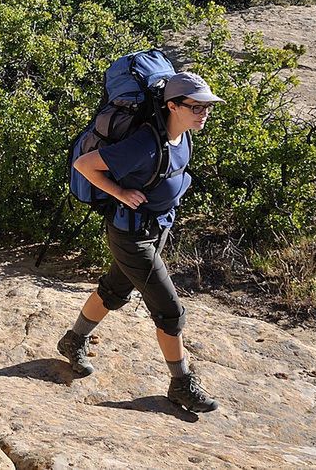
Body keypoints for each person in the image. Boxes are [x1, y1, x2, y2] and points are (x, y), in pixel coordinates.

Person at [58, 71, 224, 413]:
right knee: (170, 312)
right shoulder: (145, 143)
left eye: (207, 106)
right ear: (173, 106)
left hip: (154, 230)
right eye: (196, 107)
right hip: (133, 236)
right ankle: (181, 384)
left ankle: (73, 340)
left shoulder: (182, 137)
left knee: (114, 290)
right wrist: (119, 192)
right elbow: (84, 164)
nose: (204, 112)